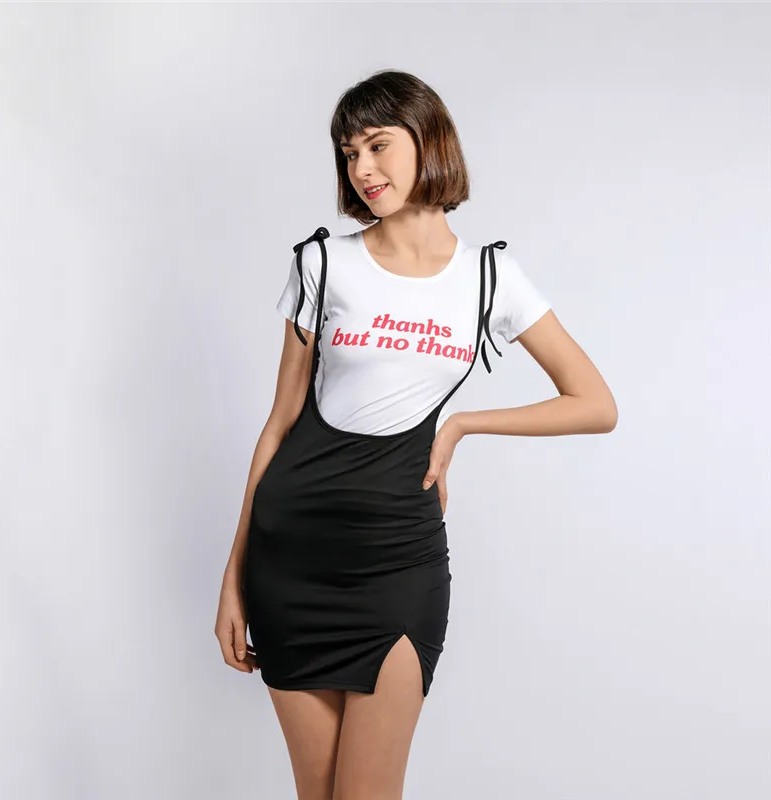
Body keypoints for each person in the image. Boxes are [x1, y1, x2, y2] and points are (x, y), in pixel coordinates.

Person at [215, 69, 618, 800]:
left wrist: (462, 425)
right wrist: (232, 578)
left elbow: (594, 403)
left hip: (397, 563)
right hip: (289, 560)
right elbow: (279, 423)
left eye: (378, 145)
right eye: (348, 154)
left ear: (428, 140)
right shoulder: (322, 263)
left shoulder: (490, 277)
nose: (362, 169)